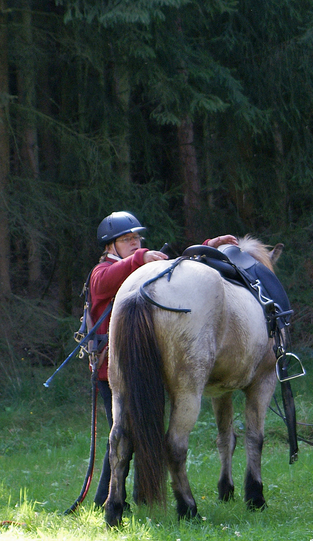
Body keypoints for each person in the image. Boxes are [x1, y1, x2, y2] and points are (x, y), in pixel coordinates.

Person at [88, 210, 237, 507]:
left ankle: (124, 498)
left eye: (137, 238)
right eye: (127, 239)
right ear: (109, 247)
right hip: (111, 369)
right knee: (122, 433)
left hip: (143, 363)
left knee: (131, 431)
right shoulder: (101, 271)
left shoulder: (138, 265)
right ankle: (104, 498)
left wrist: (207, 245)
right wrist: (138, 258)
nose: (135, 243)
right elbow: (104, 284)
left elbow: (179, 270)